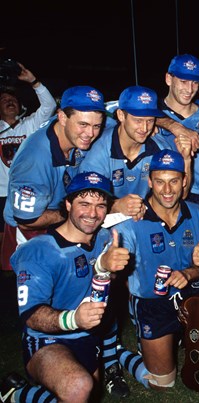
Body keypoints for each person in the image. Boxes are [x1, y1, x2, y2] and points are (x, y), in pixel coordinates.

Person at [7, 172, 124, 402]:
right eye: (84, 204)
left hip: (88, 334)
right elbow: (31, 315)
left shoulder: (104, 239)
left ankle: (17, 393)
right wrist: (73, 320)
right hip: (47, 339)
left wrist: (107, 268)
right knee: (78, 386)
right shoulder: (40, 251)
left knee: (86, 392)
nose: (93, 214)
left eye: (100, 206)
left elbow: (102, 281)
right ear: (68, 204)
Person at [107, 149, 199, 389]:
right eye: (160, 182)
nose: (167, 190)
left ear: (184, 181)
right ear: (150, 182)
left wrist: (192, 271)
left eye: (174, 181)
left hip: (191, 294)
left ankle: (181, 336)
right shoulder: (132, 220)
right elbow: (112, 272)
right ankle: (117, 351)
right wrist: (109, 266)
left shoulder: (196, 212)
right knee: (162, 384)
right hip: (152, 303)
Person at [2, 86, 106, 271]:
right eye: (83, 124)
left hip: (60, 214)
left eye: (96, 126)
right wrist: (72, 212)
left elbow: (122, 111)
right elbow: (26, 221)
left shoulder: (72, 127)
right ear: (62, 117)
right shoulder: (34, 160)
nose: (90, 133)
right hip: (32, 228)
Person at [81, 85, 192, 221]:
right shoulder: (99, 153)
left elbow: (181, 194)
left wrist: (186, 160)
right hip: (105, 219)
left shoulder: (159, 148)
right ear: (121, 115)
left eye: (150, 121)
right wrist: (116, 205)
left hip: (145, 217)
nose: (144, 128)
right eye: (138, 120)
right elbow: (84, 208)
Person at [160, 53, 199, 216]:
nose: (189, 89)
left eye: (195, 82)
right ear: (169, 79)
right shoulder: (151, 117)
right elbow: (122, 115)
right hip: (166, 195)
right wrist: (174, 126)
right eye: (183, 81)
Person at [0, 63, 56, 231]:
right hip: (2, 194)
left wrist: (34, 82)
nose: (9, 102)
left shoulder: (31, 124)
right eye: (4, 100)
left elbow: (50, 106)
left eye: (13, 100)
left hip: (29, 192)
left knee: (30, 234)